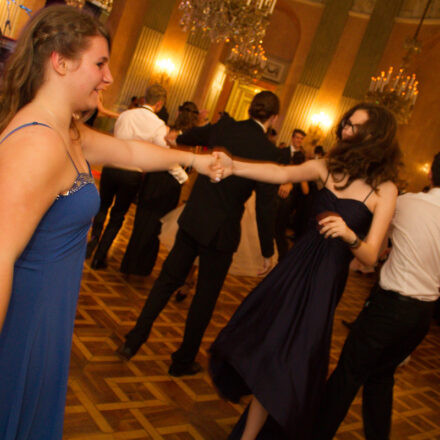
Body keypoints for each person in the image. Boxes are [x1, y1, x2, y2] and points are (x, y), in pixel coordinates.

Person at [0, 6, 218, 439]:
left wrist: (197, 159)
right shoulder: (38, 141)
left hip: (48, 313)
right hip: (25, 319)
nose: (109, 77)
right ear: (60, 62)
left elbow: (133, 154)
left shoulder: (64, 131)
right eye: (100, 63)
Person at [209, 102, 402, 439]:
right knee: (269, 351)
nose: (345, 130)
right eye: (346, 123)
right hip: (292, 271)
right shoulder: (329, 167)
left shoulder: (384, 189)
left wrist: (349, 235)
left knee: (291, 363)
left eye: (355, 126)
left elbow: (371, 256)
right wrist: (234, 165)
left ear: (376, 136)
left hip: (325, 283)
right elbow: (280, 173)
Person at [116, 91, 282, 377]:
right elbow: (266, 208)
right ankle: (182, 361)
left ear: (251, 109)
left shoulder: (225, 127)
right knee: (204, 298)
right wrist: (267, 250)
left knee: (167, 281)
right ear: (274, 118)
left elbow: (186, 138)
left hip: (193, 219)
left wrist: (190, 134)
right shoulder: (269, 152)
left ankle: (134, 340)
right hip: (222, 233)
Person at [315, 152, 440, 440]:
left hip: (391, 307)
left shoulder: (407, 202)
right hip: (423, 315)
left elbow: (373, 240)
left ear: (431, 174)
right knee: (382, 378)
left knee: (348, 375)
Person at [118, 87, 189, 277]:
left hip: (131, 172)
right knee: (150, 225)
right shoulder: (160, 126)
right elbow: (163, 155)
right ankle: (139, 266)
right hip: (155, 180)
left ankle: (114, 259)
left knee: (131, 220)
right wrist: (184, 177)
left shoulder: (127, 116)